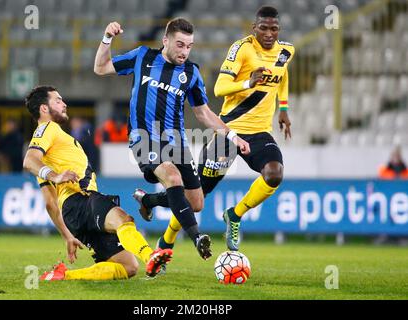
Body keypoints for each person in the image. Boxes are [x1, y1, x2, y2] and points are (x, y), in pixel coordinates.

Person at [138, 7, 294, 253]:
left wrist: (283, 108)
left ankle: (235, 214)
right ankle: (165, 238)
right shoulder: (242, 49)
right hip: (228, 132)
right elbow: (220, 88)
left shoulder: (286, 51)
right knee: (195, 197)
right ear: (254, 28)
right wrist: (248, 82)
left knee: (274, 174)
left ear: (279, 30)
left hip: (260, 133)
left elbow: (281, 75)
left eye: (273, 28)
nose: (268, 33)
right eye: (263, 28)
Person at [94, 18, 250, 261]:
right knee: (172, 176)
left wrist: (232, 135)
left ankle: (149, 199)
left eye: (189, 46)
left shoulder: (191, 73)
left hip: (177, 144)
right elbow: (100, 68)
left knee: (196, 202)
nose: (185, 52)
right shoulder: (142, 57)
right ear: (165, 41)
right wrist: (107, 38)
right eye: (180, 45)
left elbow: (203, 113)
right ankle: (197, 237)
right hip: (143, 138)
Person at [23, 86, 172, 281]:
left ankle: (63, 275)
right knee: (123, 219)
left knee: (128, 266)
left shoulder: (49, 153)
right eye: (58, 100)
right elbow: (29, 160)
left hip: (73, 213)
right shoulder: (47, 129)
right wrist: (56, 177)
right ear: (44, 108)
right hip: (81, 200)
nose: (64, 103)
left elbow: (50, 204)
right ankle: (150, 256)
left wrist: (67, 235)